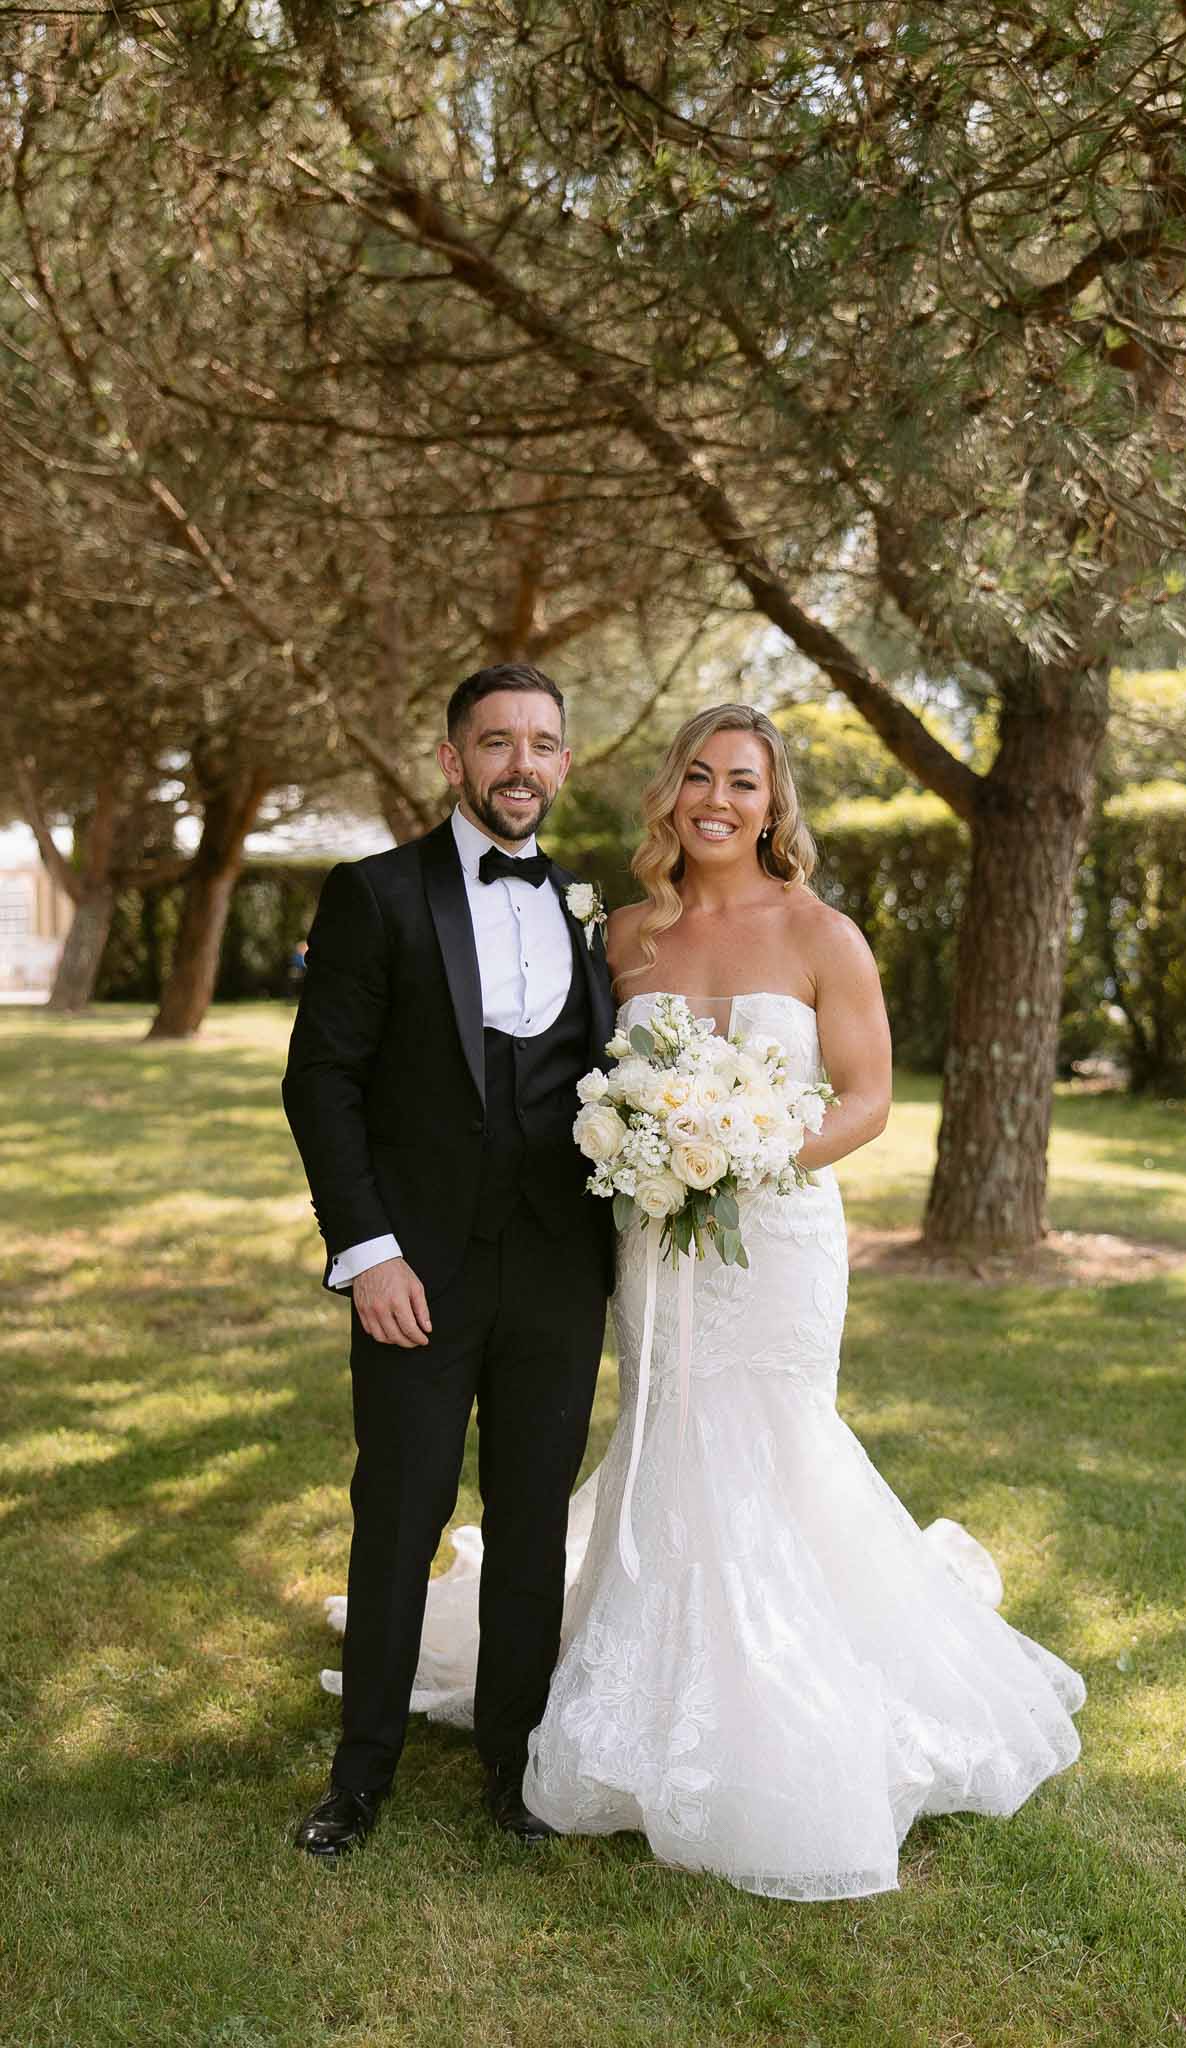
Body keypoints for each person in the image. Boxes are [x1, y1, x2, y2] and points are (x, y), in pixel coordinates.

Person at [352, 702, 1085, 1900]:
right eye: (698, 774)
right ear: (670, 793)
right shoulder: (624, 937)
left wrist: (747, 1147)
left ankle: (785, 1696)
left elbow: (866, 1098)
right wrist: (649, 1150)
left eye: (742, 781)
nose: (717, 799)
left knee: (774, 1442)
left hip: (777, 1239)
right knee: (668, 1431)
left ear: (772, 803)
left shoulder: (821, 933)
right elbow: (565, 1081)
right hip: (652, 1240)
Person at [282, 662, 616, 1858]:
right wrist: (367, 1250)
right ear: (452, 759)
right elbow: (321, 1080)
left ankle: (513, 1767)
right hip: (414, 1270)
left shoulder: (590, 906)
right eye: (496, 743)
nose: (520, 763)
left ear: (563, 762)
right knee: (401, 1510)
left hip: (558, 1267)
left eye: (541, 743)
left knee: (532, 1521)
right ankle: (358, 1776)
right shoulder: (375, 893)